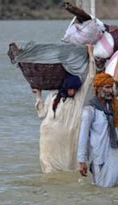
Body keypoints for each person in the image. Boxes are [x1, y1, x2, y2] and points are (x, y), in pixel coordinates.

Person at [33, 44, 95, 173]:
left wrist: (91, 55)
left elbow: (91, 77)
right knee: (48, 166)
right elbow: (41, 114)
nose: (72, 91)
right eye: (70, 88)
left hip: (68, 139)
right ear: (66, 86)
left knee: (68, 166)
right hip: (49, 137)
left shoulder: (78, 100)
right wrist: (38, 95)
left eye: (75, 89)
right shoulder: (53, 96)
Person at [77, 72, 118, 187]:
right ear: (98, 89)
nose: (110, 91)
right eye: (107, 87)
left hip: (117, 153)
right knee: (102, 188)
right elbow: (83, 137)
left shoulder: (114, 106)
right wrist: (82, 161)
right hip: (100, 155)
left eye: (111, 87)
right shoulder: (89, 110)